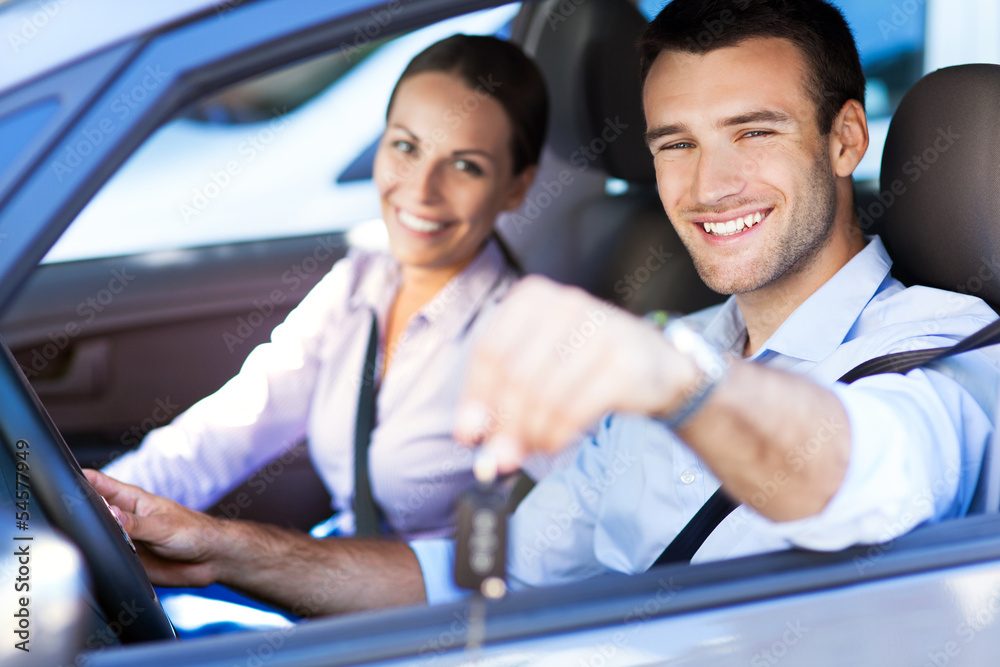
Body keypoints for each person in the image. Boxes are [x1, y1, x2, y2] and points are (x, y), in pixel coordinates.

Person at [87, 0, 1000, 618]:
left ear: (845, 138)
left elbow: (866, 478)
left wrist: (669, 381)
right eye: (675, 143)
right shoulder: (683, 344)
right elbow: (491, 571)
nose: (710, 185)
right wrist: (226, 551)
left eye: (753, 132)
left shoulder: (939, 352)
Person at [101, 34, 571, 544]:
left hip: (435, 612)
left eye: (464, 166)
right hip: (333, 573)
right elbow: (234, 426)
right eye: (407, 147)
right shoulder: (362, 278)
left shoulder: (524, 342)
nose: (420, 189)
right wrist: (106, 503)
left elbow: (568, 542)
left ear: (516, 186)